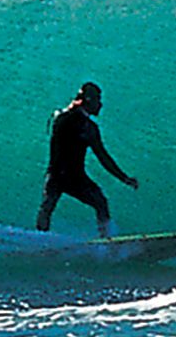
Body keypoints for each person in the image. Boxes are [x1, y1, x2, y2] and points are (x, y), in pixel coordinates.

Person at [35, 80, 137, 232]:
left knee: (47, 208)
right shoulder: (87, 128)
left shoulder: (59, 117)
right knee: (101, 202)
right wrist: (124, 178)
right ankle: (106, 239)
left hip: (56, 175)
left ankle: (40, 239)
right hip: (73, 178)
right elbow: (103, 157)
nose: (100, 105)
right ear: (88, 101)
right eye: (98, 100)